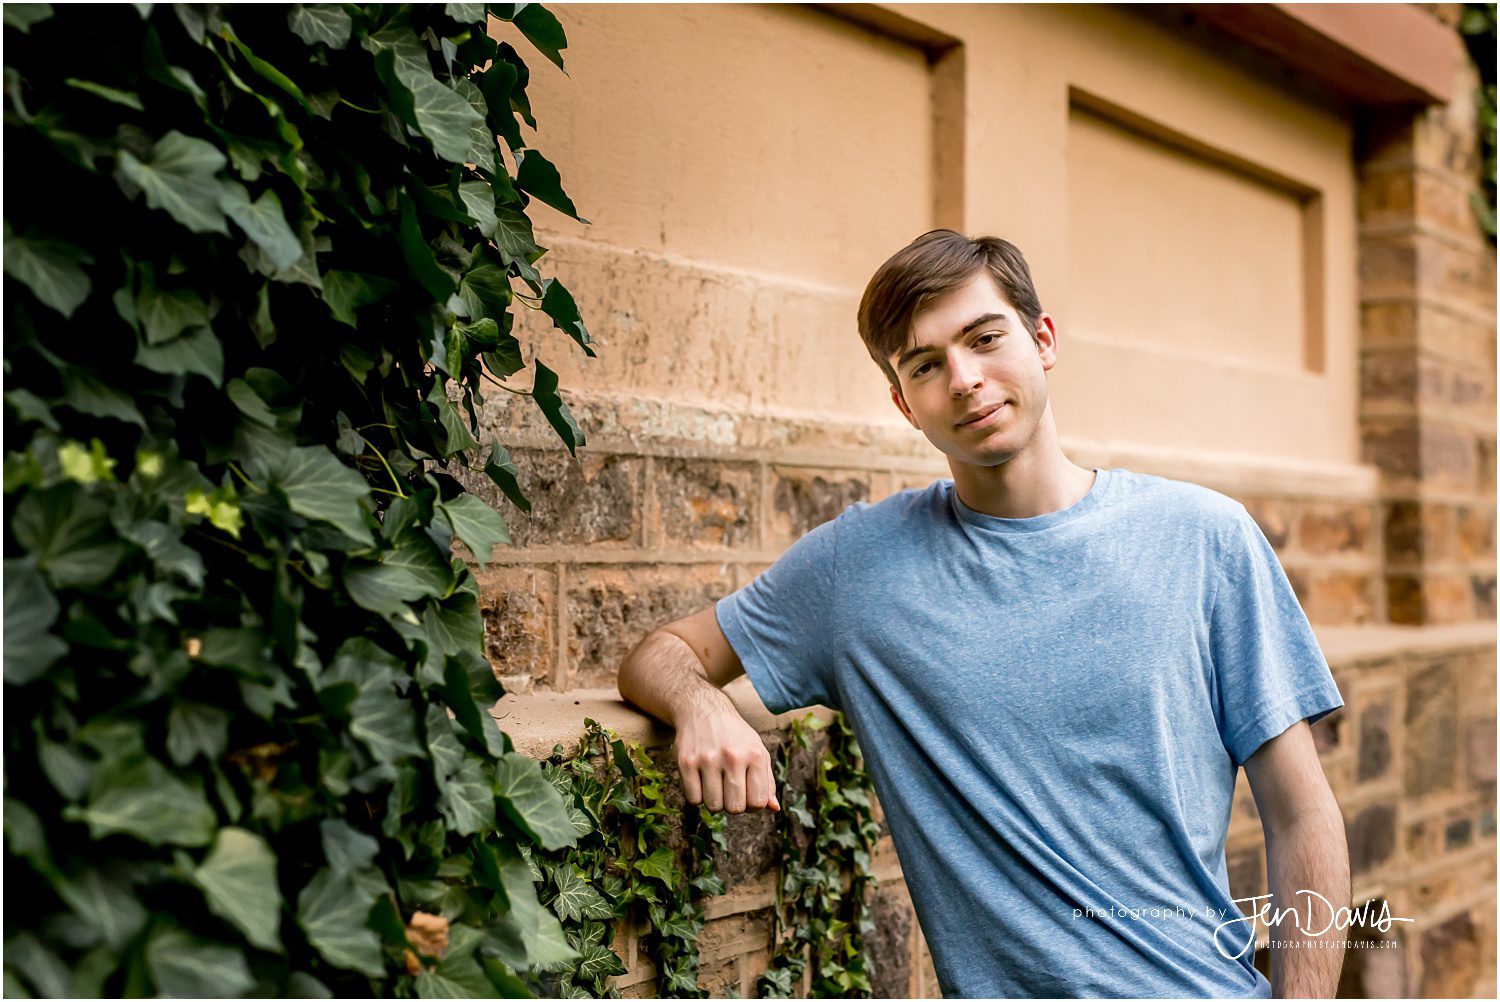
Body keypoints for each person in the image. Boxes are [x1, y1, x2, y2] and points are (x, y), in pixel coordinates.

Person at [616, 230, 1350, 998]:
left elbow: (1301, 816)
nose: (964, 380)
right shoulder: (855, 571)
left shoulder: (1204, 539)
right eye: (926, 365)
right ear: (904, 404)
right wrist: (699, 705)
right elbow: (661, 654)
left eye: (985, 339)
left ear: (1044, 340)